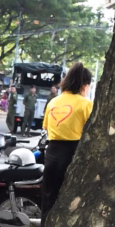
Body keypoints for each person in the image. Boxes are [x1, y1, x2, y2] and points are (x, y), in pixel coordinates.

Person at [41, 61, 93, 218]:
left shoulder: (53, 102)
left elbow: (47, 127)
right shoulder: (86, 104)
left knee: (48, 201)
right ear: (85, 85)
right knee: (69, 203)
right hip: (72, 155)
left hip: (51, 155)